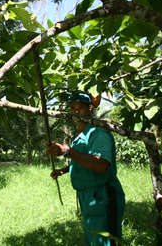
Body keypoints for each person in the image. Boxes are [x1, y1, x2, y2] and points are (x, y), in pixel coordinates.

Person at [46, 92, 125, 246]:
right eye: (72, 108)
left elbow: (101, 164)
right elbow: (83, 160)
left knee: (105, 241)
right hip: (87, 196)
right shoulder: (80, 135)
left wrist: (67, 151)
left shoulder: (98, 133)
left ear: (90, 108)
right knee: (94, 240)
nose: (76, 112)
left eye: (80, 108)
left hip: (103, 196)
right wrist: (63, 170)